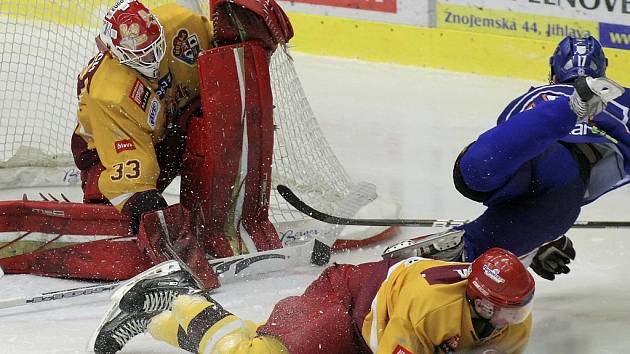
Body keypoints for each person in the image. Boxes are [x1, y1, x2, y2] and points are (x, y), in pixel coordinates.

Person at [70, 0, 293, 288]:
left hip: (169, 125)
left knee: (215, 119)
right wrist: (160, 224)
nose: (150, 60)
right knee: (127, 210)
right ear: (114, 53)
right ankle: (106, 209)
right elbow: (131, 168)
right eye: (140, 56)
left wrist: (244, 32)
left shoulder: (179, 24)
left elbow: (222, 57)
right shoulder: (110, 94)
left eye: (154, 48)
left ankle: (216, 223)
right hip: (105, 152)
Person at [414, 36, 627, 281]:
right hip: (567, 185)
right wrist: (540, 239)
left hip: (543, 169)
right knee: (491, 246)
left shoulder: (537, 94)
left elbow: (509, 139)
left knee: (477, 172)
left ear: (553, 70)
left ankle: (569, 109)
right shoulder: (621, 98)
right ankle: (571, 108)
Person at [89, 247, 535, 354]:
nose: (516, 319)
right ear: (480, 301)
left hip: (368, 325)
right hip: (344, 303)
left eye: (521, 307)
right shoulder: (430, 307)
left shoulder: (511, 319)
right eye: (508, 309)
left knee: (252, 345)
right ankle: (182, 296)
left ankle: (151, 319)